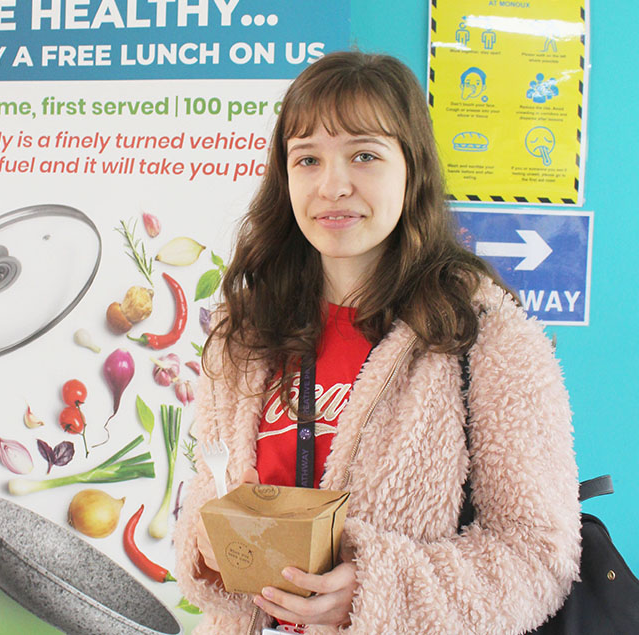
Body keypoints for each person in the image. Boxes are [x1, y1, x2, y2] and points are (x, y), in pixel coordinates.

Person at [173, 50, 581, 634]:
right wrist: (208, 547)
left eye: (364, 155)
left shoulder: (482, 336)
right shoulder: (244, 335)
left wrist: (377, 593)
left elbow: (539, 553)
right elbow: (210, 490)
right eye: (307, 159)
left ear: (411, 169)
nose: (333, 185)